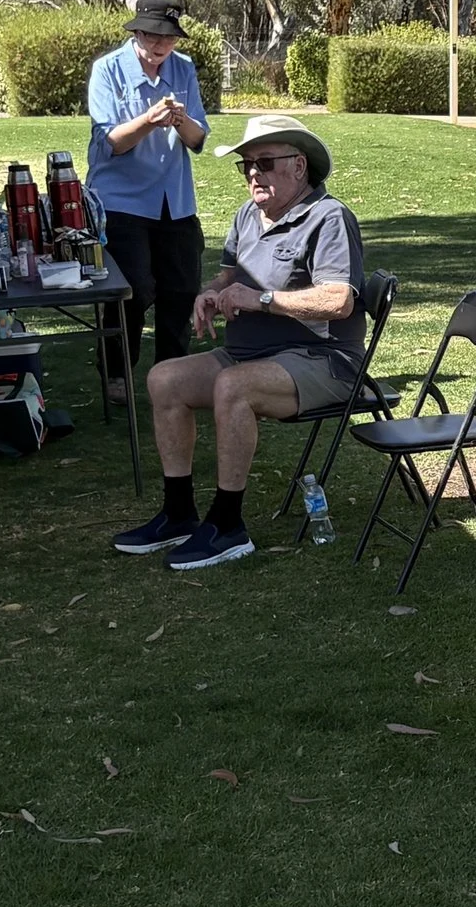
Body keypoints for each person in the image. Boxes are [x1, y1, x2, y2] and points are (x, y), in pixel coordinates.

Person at [110, 115, 361, 572]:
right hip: (250, 353)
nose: (253, 174)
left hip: (323, 361)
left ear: (299, 165)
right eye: (246, 165)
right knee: (164, 378)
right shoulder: (248, 215)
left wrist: (263, 300)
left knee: (233, 385)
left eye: (265, 162)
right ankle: (179, 513)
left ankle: (228, 526)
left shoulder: (329, 217)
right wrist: (209, 293)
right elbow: (228, 276)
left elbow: (338, 300)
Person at [86, 0, 209, 399]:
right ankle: (116, 370)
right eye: (154, 36)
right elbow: (113, 142)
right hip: (121, 200)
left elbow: (198, 140)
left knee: (182, 289)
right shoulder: (107, 70)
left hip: (175, 200)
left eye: (169, 38)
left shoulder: (183, 68)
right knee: (133, 289)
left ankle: (172, 376)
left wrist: (180, 120)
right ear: (137, 33)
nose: (161, 46)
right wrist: (149, 120)